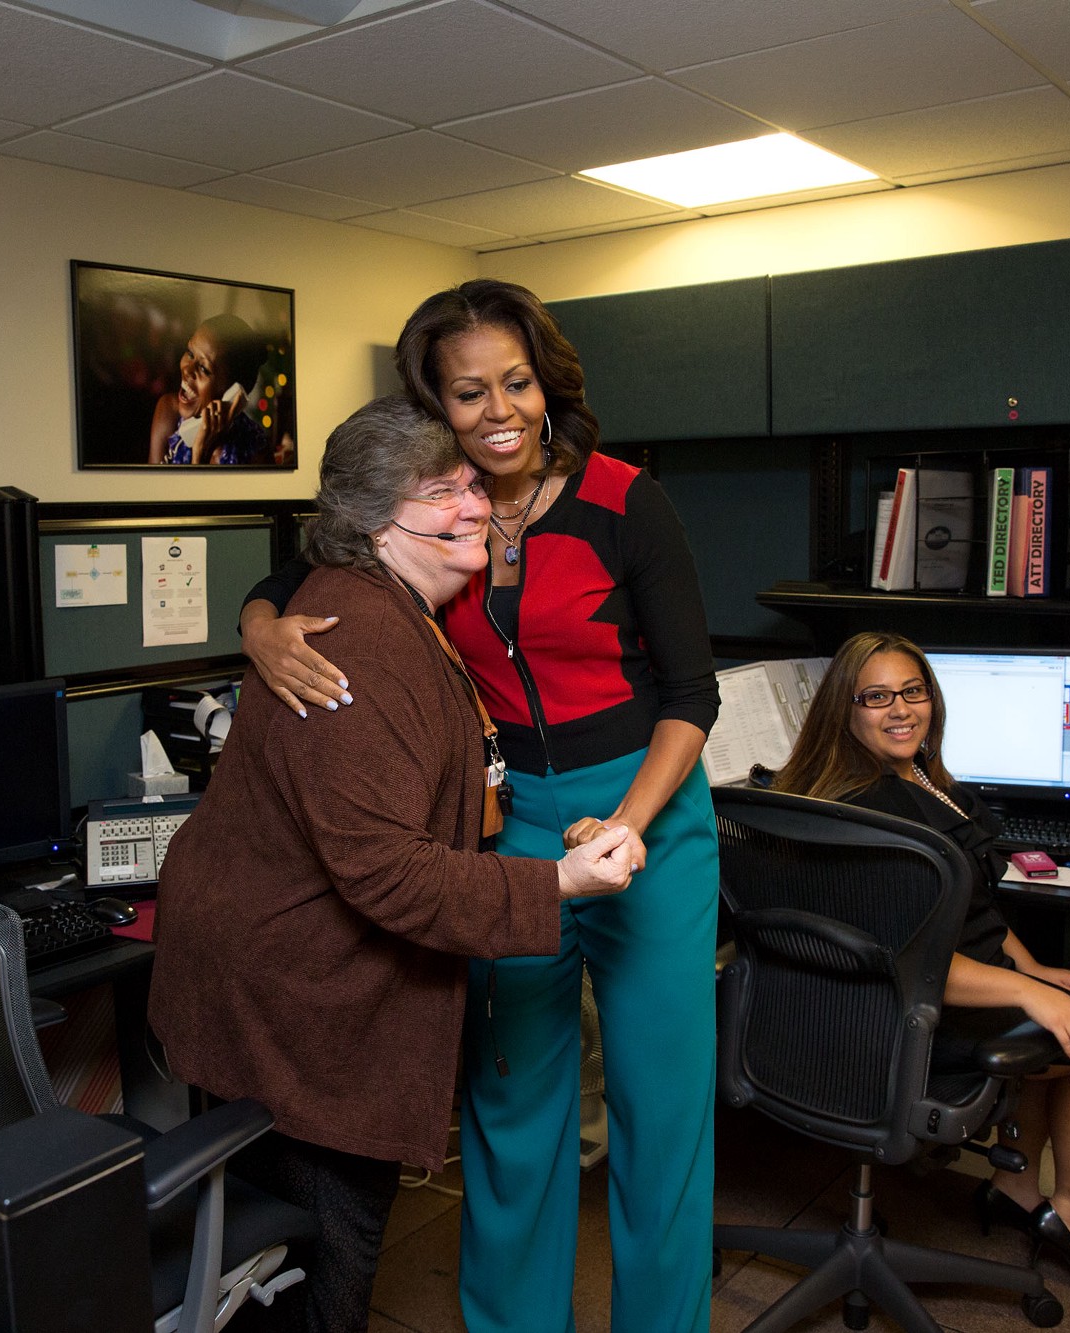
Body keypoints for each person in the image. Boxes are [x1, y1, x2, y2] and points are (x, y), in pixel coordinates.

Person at [239, 280, 721, 1333]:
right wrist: (258, 624)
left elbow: (692, 695)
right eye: (469, 392)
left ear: (546, 383)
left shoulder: (624, 500)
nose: (499, 409)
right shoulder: (439, 507)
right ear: (436, 405)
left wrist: (632, 821)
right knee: (511, 1115)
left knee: (660, 1116)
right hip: (504, 832)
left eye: (516, 381)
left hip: (648, 818)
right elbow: (300, 566)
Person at [149, 395, 639, 1333]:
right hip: (293, 992)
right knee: (321, 1249)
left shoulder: (383, 607)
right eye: (442, 493)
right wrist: (560, 886)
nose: (474, 508)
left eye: (470, 485)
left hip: (265, 970)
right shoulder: (359, 641)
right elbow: (385, 872)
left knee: (270, 1244)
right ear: (375, 524)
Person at [771, 631, 1070, 1296]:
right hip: (904, 1016)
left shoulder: (916, 781)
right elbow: (908, 958)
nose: (901, 709)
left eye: (912, 691)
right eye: (876, 696)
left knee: (1058, 1009)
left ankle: (1014, 1187)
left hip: (916, 995)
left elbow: (977, 916)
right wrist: (1030, 995)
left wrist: (1030, 972)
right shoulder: (876, 815)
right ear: (845, 711)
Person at [149, 312, 268, 465]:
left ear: (233, 394)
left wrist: (201, 452)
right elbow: (152, 488)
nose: (187, 370)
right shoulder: (168, 412)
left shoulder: (255, 452)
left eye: (204, 369)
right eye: (190, 353)